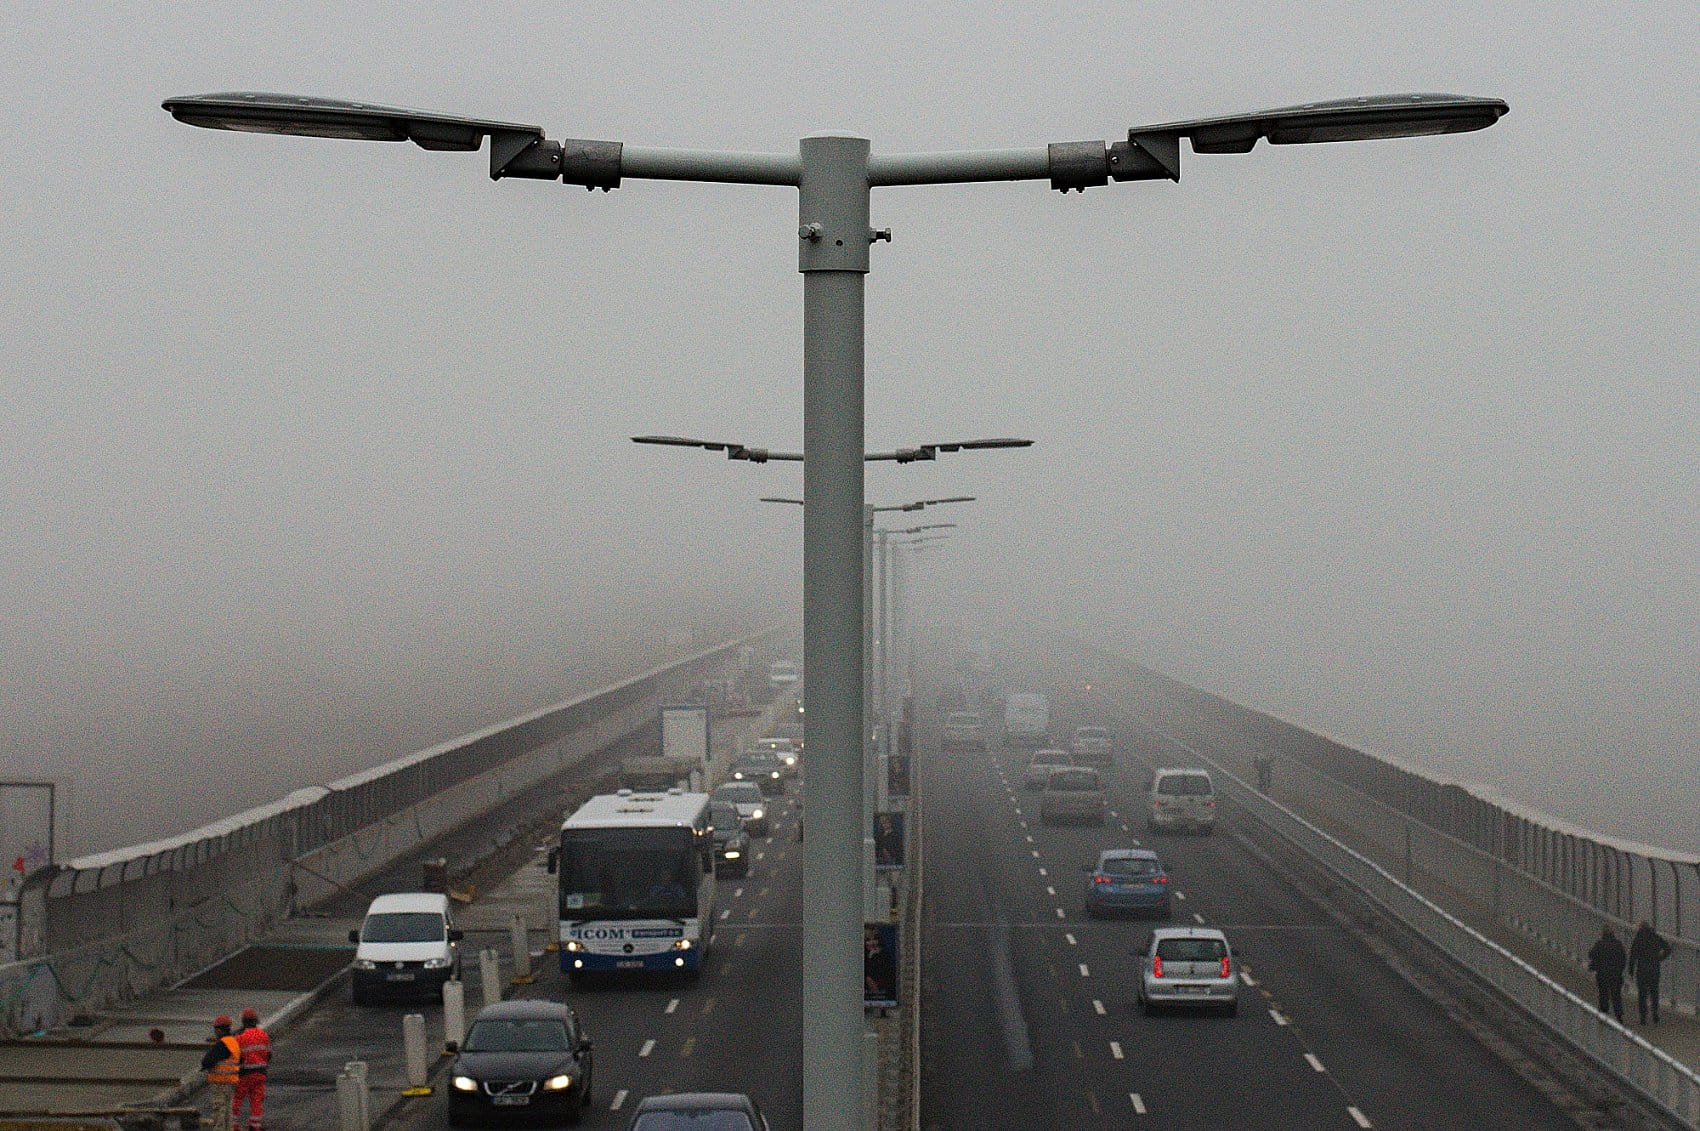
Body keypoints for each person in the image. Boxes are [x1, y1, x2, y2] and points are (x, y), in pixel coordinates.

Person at [199, 1015, 241, 1131]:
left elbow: (206, 1061)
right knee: (228, 1112)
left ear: (219, 1030)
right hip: (230, 1082)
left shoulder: (222, 1044)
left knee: (219, 1111)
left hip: (219, 1082)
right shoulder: (233, 1042)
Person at [1629, 920, 1673, 1025]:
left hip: (1642, 969)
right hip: (1654, 968)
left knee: (1642, 993)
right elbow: (1668, 949)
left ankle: (1643, 1017)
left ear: (1640, 928)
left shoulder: (1638, 939)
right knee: (1654, 992)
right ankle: (1655, 1013)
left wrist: (1631, 970)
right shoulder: (1655, 937)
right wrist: (1660, 958)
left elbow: (1633, 956)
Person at [234, 1006, 271, 1131]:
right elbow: (268, 1055)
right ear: (256, 1021)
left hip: (245, 1074)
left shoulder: (240, 1037)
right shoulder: (263, 1035)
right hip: (260, 1073)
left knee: (237, 1099)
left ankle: (234, 1125)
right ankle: (255, 1126)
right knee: (257, 1101)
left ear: (243, 1021)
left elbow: (237, 1057)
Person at [1587, 924, 1627, 1022]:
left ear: (1603, 934)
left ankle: (1603, 1015)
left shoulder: (1599, 944)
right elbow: (1623, 958)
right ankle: (1619, 1016)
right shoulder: (1618, 944)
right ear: (1613, 934)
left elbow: (1591, 954)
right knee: (1616, 995)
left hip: (1602, 974)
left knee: (1603, 994)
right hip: (1616, 974)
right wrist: (1620, 970)